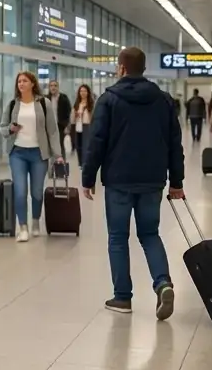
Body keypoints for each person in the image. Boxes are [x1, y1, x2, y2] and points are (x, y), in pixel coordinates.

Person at [81, 47, 184, 318]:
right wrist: (177, 181)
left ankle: (122, 298)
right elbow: (175, 143)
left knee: (118, 237)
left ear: (122, 68)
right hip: (152, 180)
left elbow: (97, 143)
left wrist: (88, 178)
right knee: (150, 234)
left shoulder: (108, 100)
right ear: (143, 67)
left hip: (118, 181)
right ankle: (163, 283)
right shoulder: (163, 100)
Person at [3, 71, 64, 242]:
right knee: (20, 191)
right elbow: (2, 127)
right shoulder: (13, 104)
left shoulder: (44, 103)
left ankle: (35, 221)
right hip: (18, 153)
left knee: (37, 192)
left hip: (39, 154)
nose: (21, 84)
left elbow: (52, 130)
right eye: (19, 81)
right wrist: (10, 129)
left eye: (24, 81)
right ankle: (23, 227)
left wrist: (57, 155)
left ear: (32, 84)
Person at [70, 84, 95, 166]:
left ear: (88, 92)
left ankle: (85, 163)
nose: (83, 93)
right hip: (78, 126)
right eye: (81, 91)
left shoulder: (91, 104)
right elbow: (72, 117)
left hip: (87, 126)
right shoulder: (77, 103)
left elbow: (93, 116)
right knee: (78, 146)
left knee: (86, 146)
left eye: (84, 91)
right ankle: (81, 163)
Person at [46, 80, 72, 152]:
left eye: (55, 85)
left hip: (60, 126)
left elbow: (69, 112)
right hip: (49, 126)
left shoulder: (64, 98)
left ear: (58, 87)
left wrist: (67, 126)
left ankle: (61, 162)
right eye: (51, 86)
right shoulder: (46, 98)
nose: (53, 87)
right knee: (49, 146)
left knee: (60, 145)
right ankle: (52, 162)